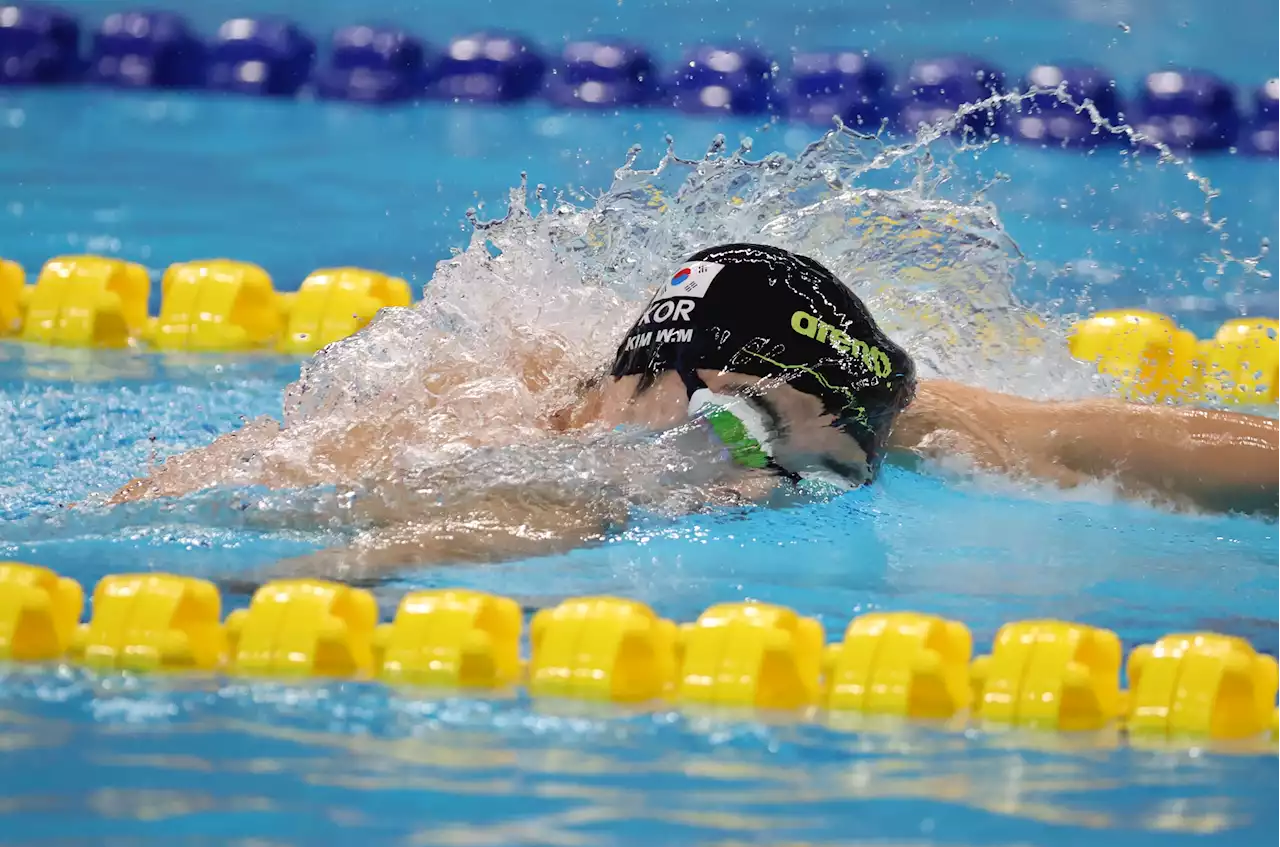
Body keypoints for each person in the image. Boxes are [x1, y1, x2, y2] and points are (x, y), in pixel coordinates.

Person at [109, 243, 1280, 585]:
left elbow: (1081, 438)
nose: (835, 477)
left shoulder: (829, 405)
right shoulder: (565, 482)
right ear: (720, 402)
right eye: (805, 454)